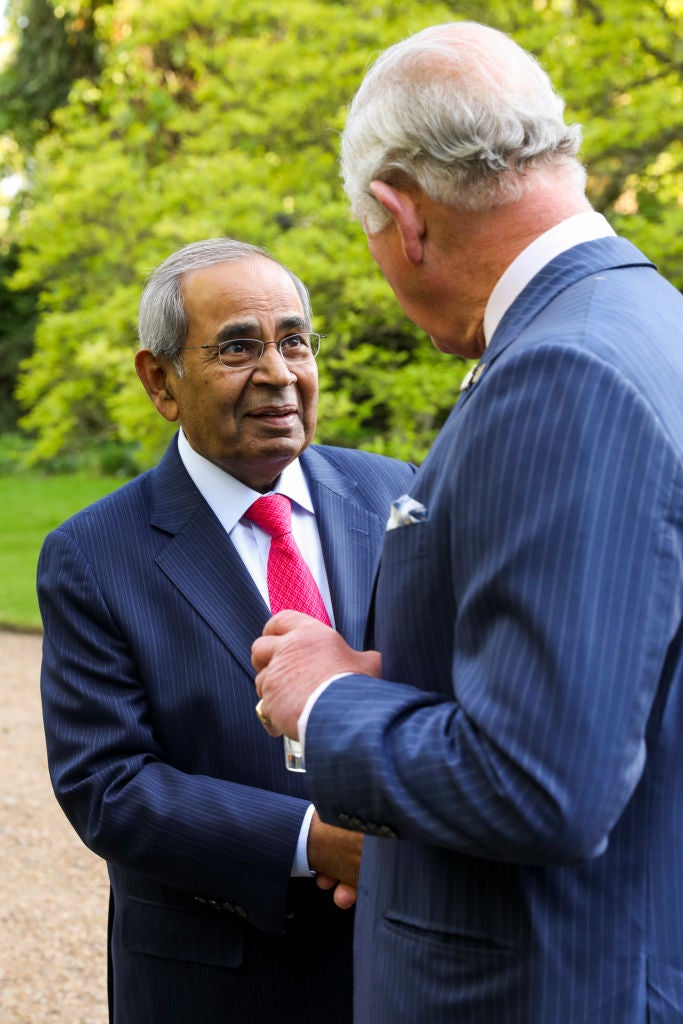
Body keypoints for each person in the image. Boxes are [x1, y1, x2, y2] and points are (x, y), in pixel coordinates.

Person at [251, 21, 683, 1023]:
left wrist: (325, 702)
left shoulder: (562, 374)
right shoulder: (647, 324)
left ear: (402, 215)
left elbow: (539, 784)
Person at [37, 237, 415, 1024]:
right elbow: (107, 787)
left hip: (403, 959)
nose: (278, 373)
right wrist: (316, 840)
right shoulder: (94, 554)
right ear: (160, 380)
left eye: (293, 341)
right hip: (218, 982)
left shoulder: (396, 493)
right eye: (238, 347)